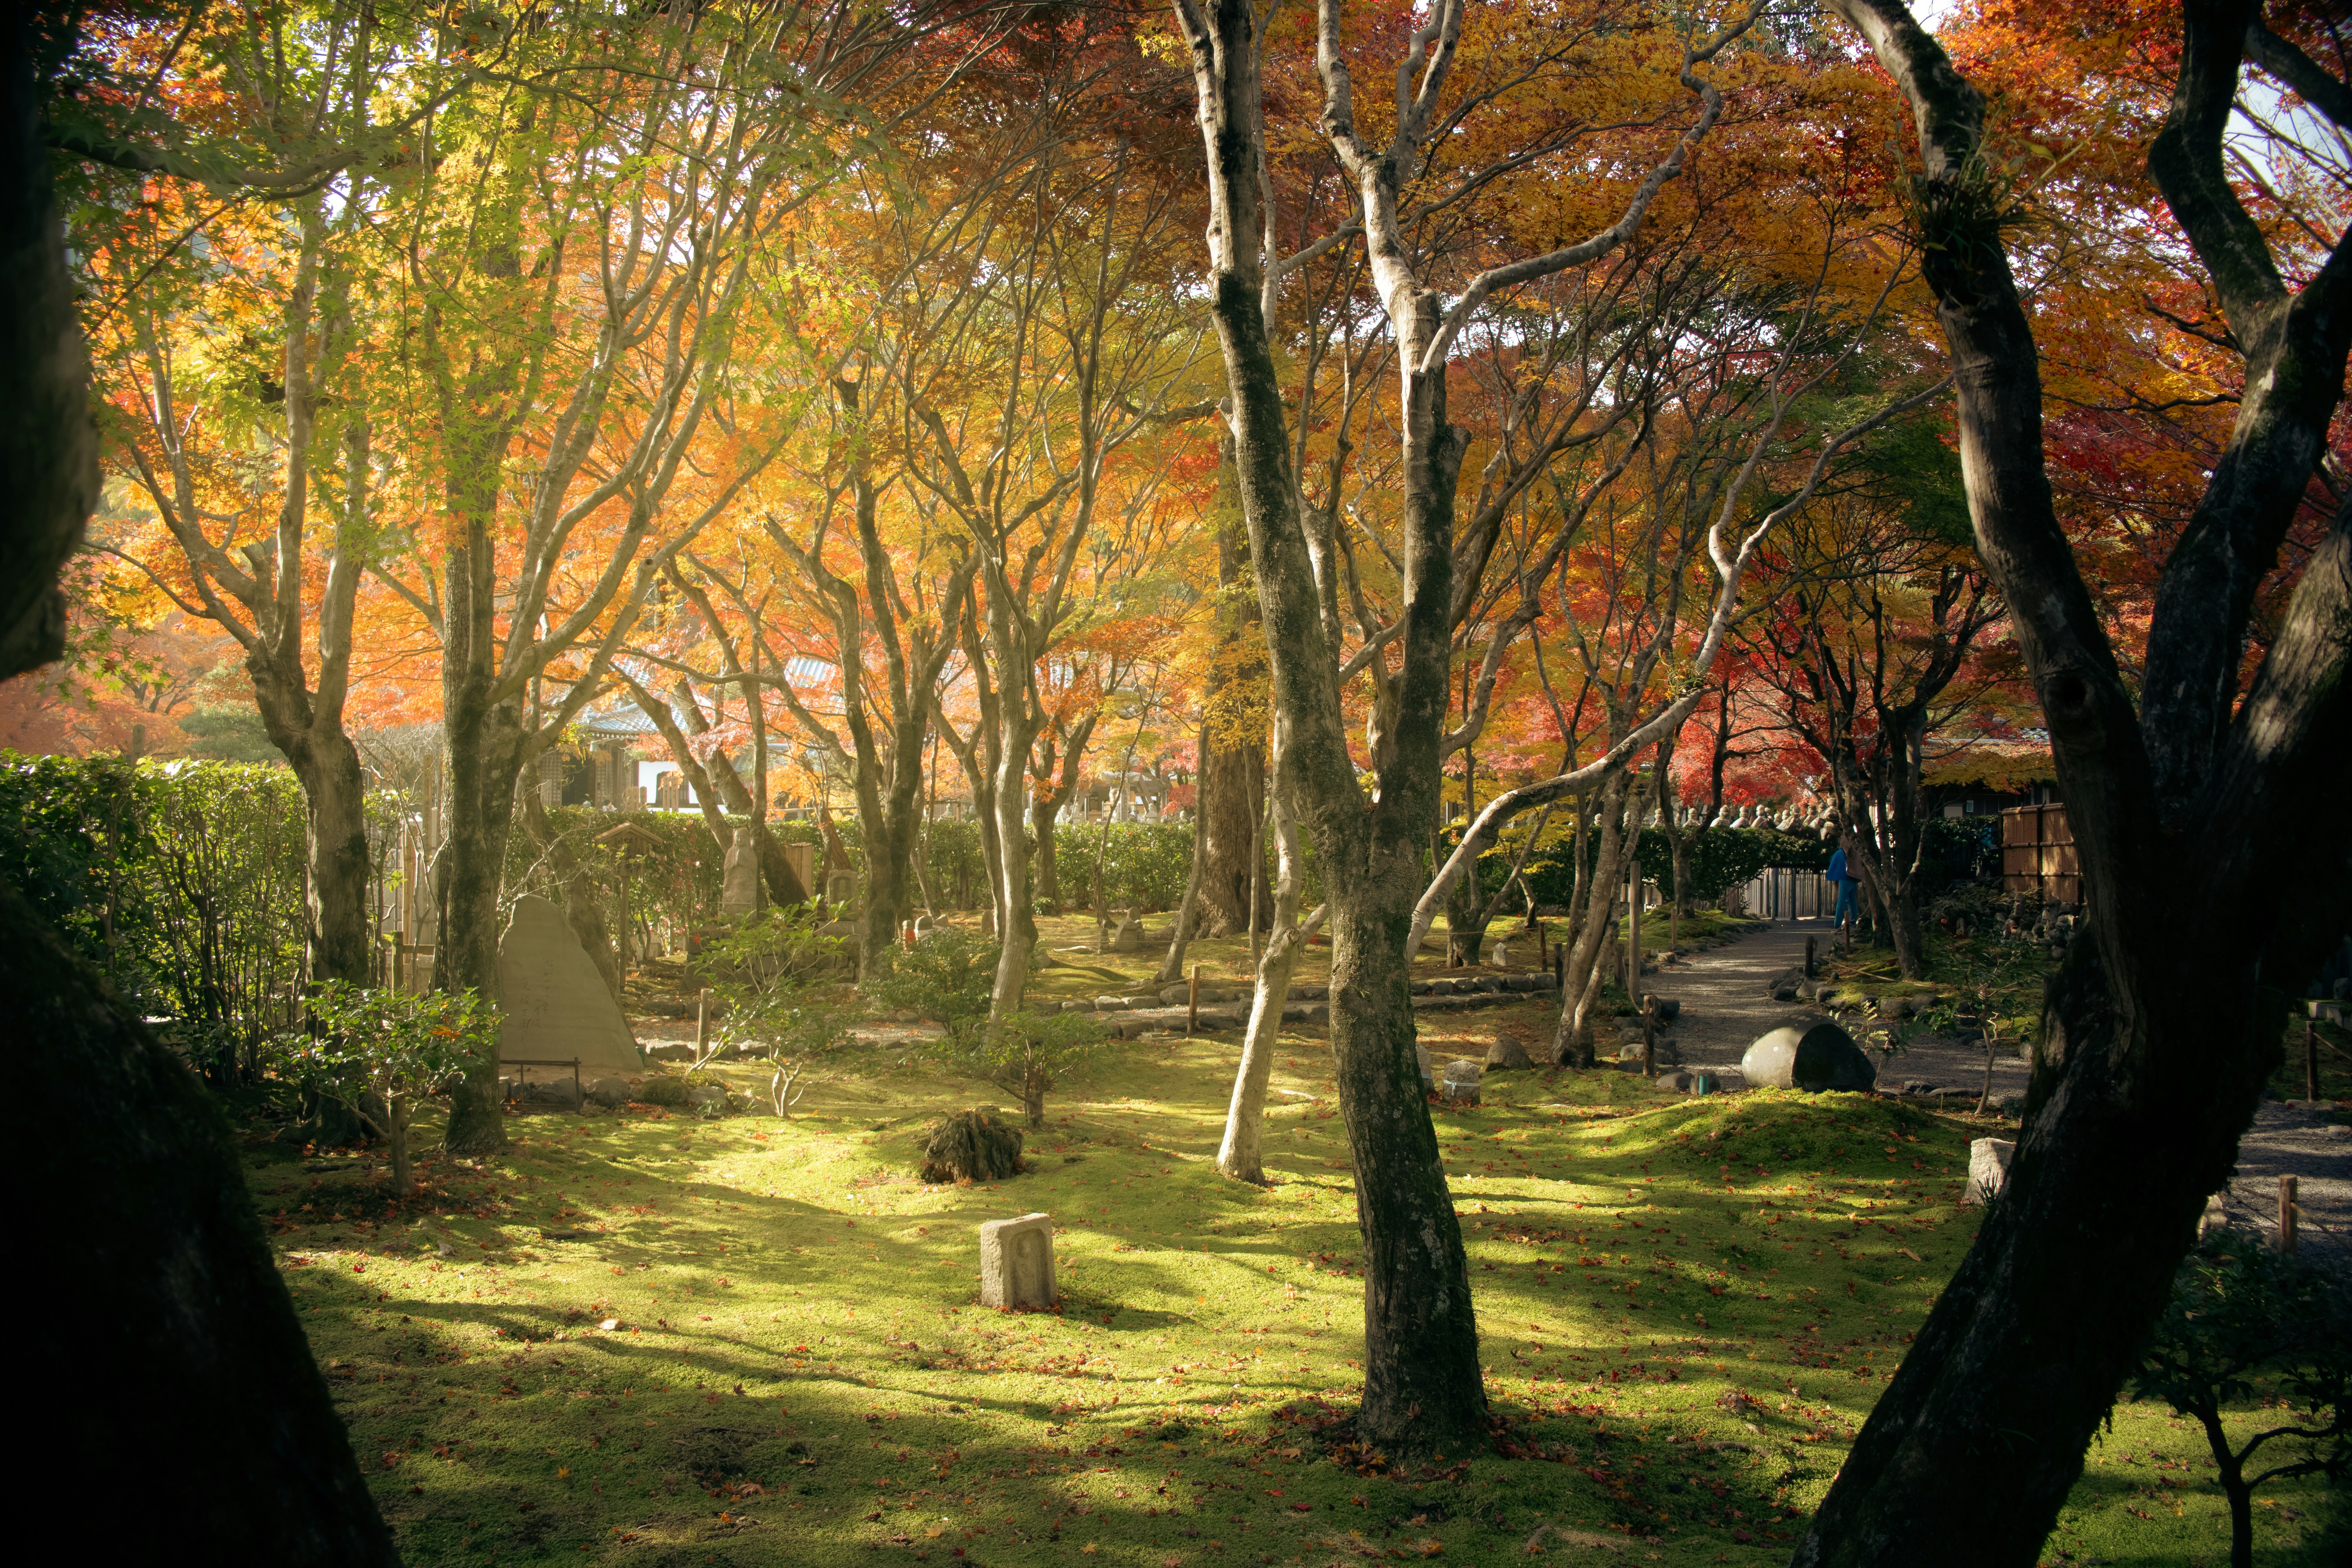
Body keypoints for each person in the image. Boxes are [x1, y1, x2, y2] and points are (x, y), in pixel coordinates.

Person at [1826, 835, 1863, 950]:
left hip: (1847, 874)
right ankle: (1852, 922)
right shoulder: (1859, 838)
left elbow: (1843, 853)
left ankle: (1837, 924)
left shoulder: (1847, 838)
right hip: (1857, 874)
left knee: (1842, 900)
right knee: (1852, 900)